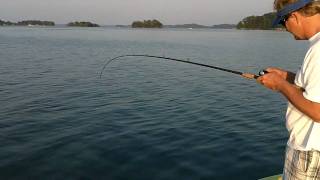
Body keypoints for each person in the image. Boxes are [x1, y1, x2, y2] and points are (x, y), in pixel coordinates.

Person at [257, 0, 320, 179]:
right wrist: (286, 76)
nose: (285, 28)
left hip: (310, 151)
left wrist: (281, 85)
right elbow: (313, 86)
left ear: (294, 15)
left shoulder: (318, 51)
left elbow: (318, 112)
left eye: (284, 21)